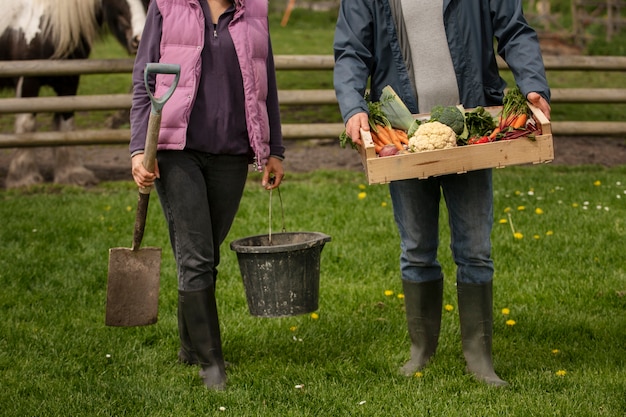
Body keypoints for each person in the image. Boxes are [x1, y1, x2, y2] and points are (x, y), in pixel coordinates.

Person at [333, 0, 550, 386]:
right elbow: (351, 50)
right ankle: (421, 350)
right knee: (416, 249)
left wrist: (532, 85)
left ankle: (479, 357)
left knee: (475, 251)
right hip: (405, 137)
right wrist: (352, 106)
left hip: (474, 128)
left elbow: (515, 31)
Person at [129, 0, 285, 390]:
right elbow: (142, 79)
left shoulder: (255, 11)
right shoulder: (168, 6)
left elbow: (267, 85)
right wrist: (137, 149)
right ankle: (211, 363)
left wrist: (275, 149)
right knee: (196, 255)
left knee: (205, 255)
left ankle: (190, 347)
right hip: (175, 151)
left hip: (231, 152)